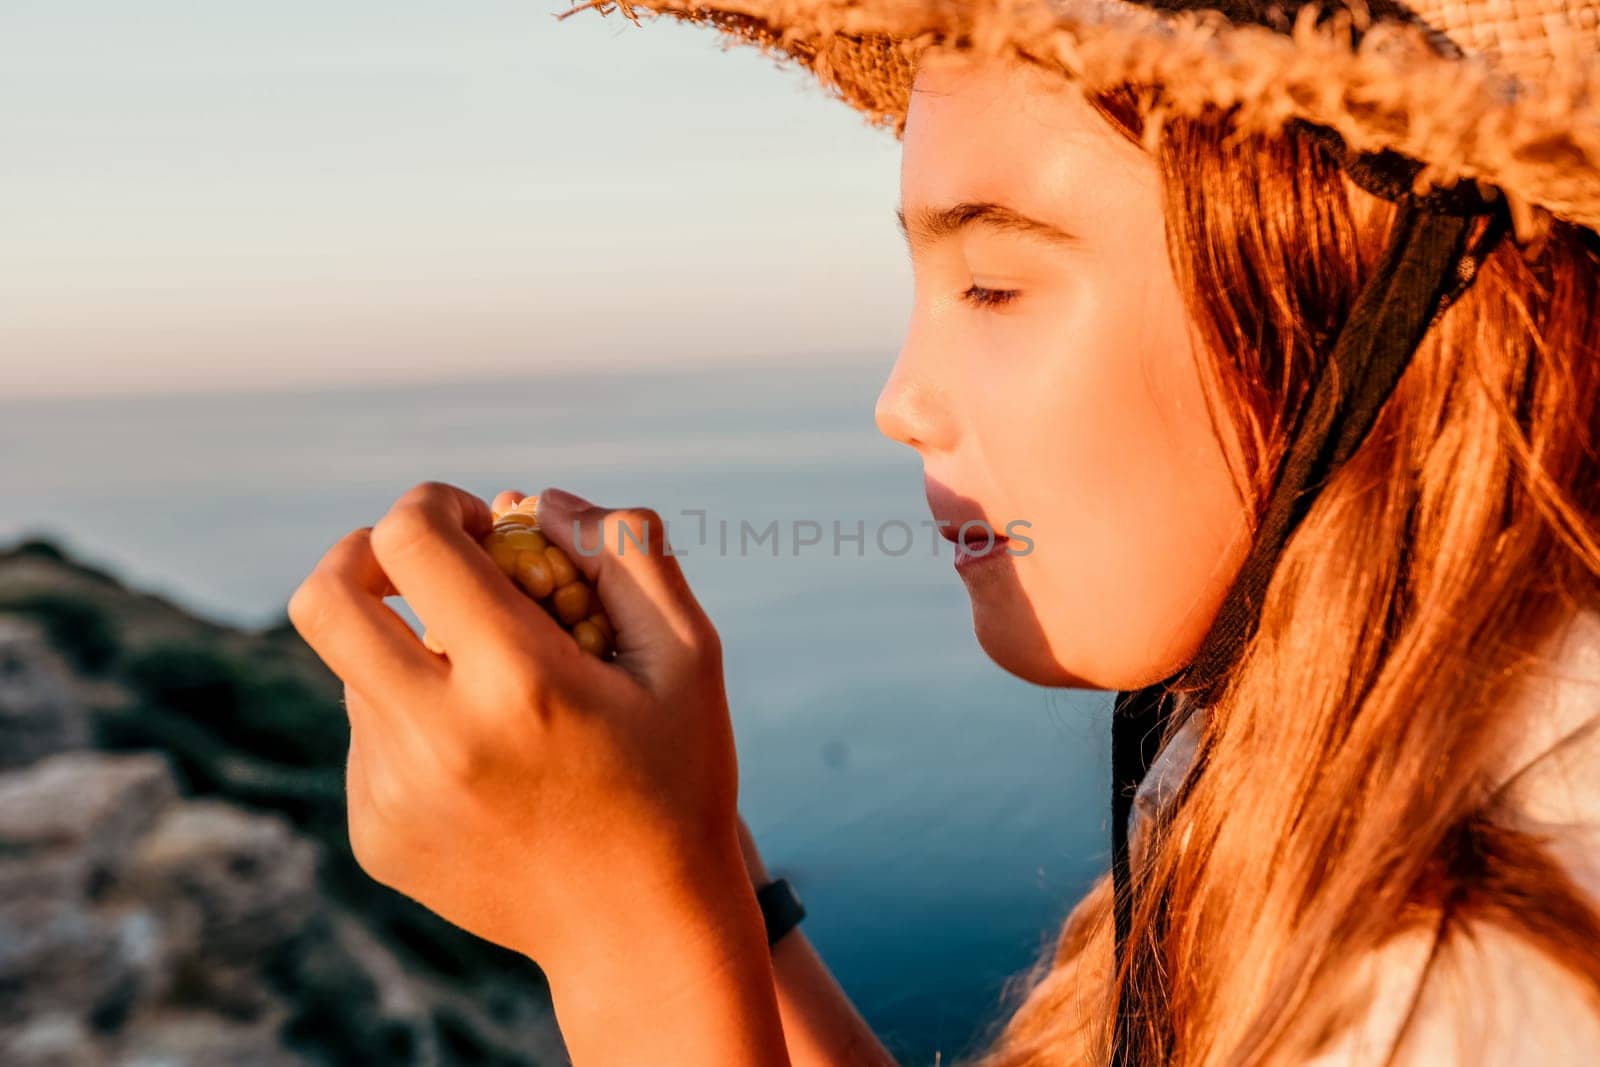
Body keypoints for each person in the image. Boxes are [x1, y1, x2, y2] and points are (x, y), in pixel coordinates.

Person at [286, 0, 1600, 1062]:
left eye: (992, 282)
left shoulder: (1486, 972)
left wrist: (616, 933)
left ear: (1353, 289)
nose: (900, 402)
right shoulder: (1307, 760)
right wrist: (698, 874)